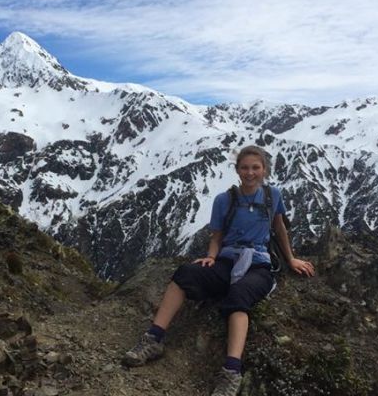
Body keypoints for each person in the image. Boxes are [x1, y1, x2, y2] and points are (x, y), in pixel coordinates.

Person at [122, 145, 315, 396]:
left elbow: (279, 229)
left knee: (238, 298)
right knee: (185, 275)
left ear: (264, 170)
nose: (250, 173)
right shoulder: (224, 200)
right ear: (237, 170)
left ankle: (231, 372)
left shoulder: (273, 195)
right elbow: (217, 236)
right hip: (228, 260)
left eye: (255, 168)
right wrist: (211, 257)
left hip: (259, 264)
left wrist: (290, 259)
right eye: (244, 168)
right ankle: (153, 339)